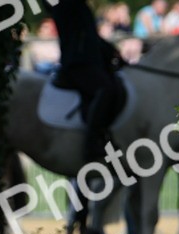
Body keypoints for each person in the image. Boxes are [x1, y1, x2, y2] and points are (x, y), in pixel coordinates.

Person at [50, 0, 122, 168]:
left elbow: (91, 36)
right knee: (106, 89)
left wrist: (110, 51)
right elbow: (82, 37)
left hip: (88, 62)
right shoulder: (67, 5)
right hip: (78, 64)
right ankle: (90, 145)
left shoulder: (80, 5)